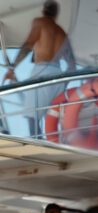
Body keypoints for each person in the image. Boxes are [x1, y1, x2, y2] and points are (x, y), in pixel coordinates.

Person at [3, 1, 75, 136]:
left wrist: (13, 67)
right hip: (58, 76)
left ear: (43, 11)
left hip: (42, 71)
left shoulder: (40, 22)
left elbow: (28, 44)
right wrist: (63, 83)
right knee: (47, 115)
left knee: (32, 116)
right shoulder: (62, 32)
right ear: (56, 14)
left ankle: (36, 142)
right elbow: (72, 66)